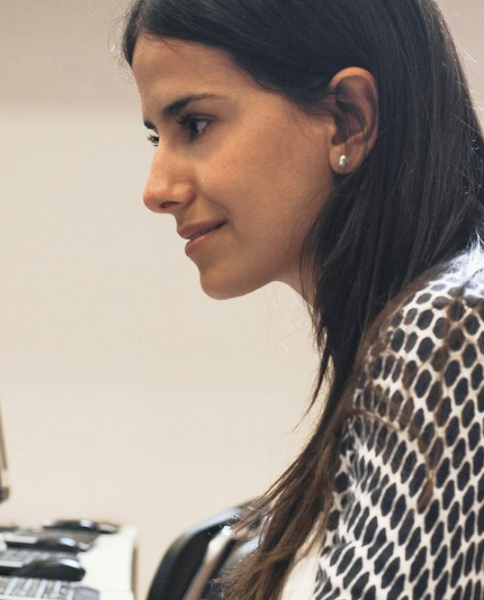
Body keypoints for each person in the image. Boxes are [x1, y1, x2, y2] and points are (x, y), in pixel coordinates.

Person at [122, 0, 484, 598]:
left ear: (348, 119)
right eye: (157, 136)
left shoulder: (447, 333)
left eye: (195, 125)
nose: (157, 189)